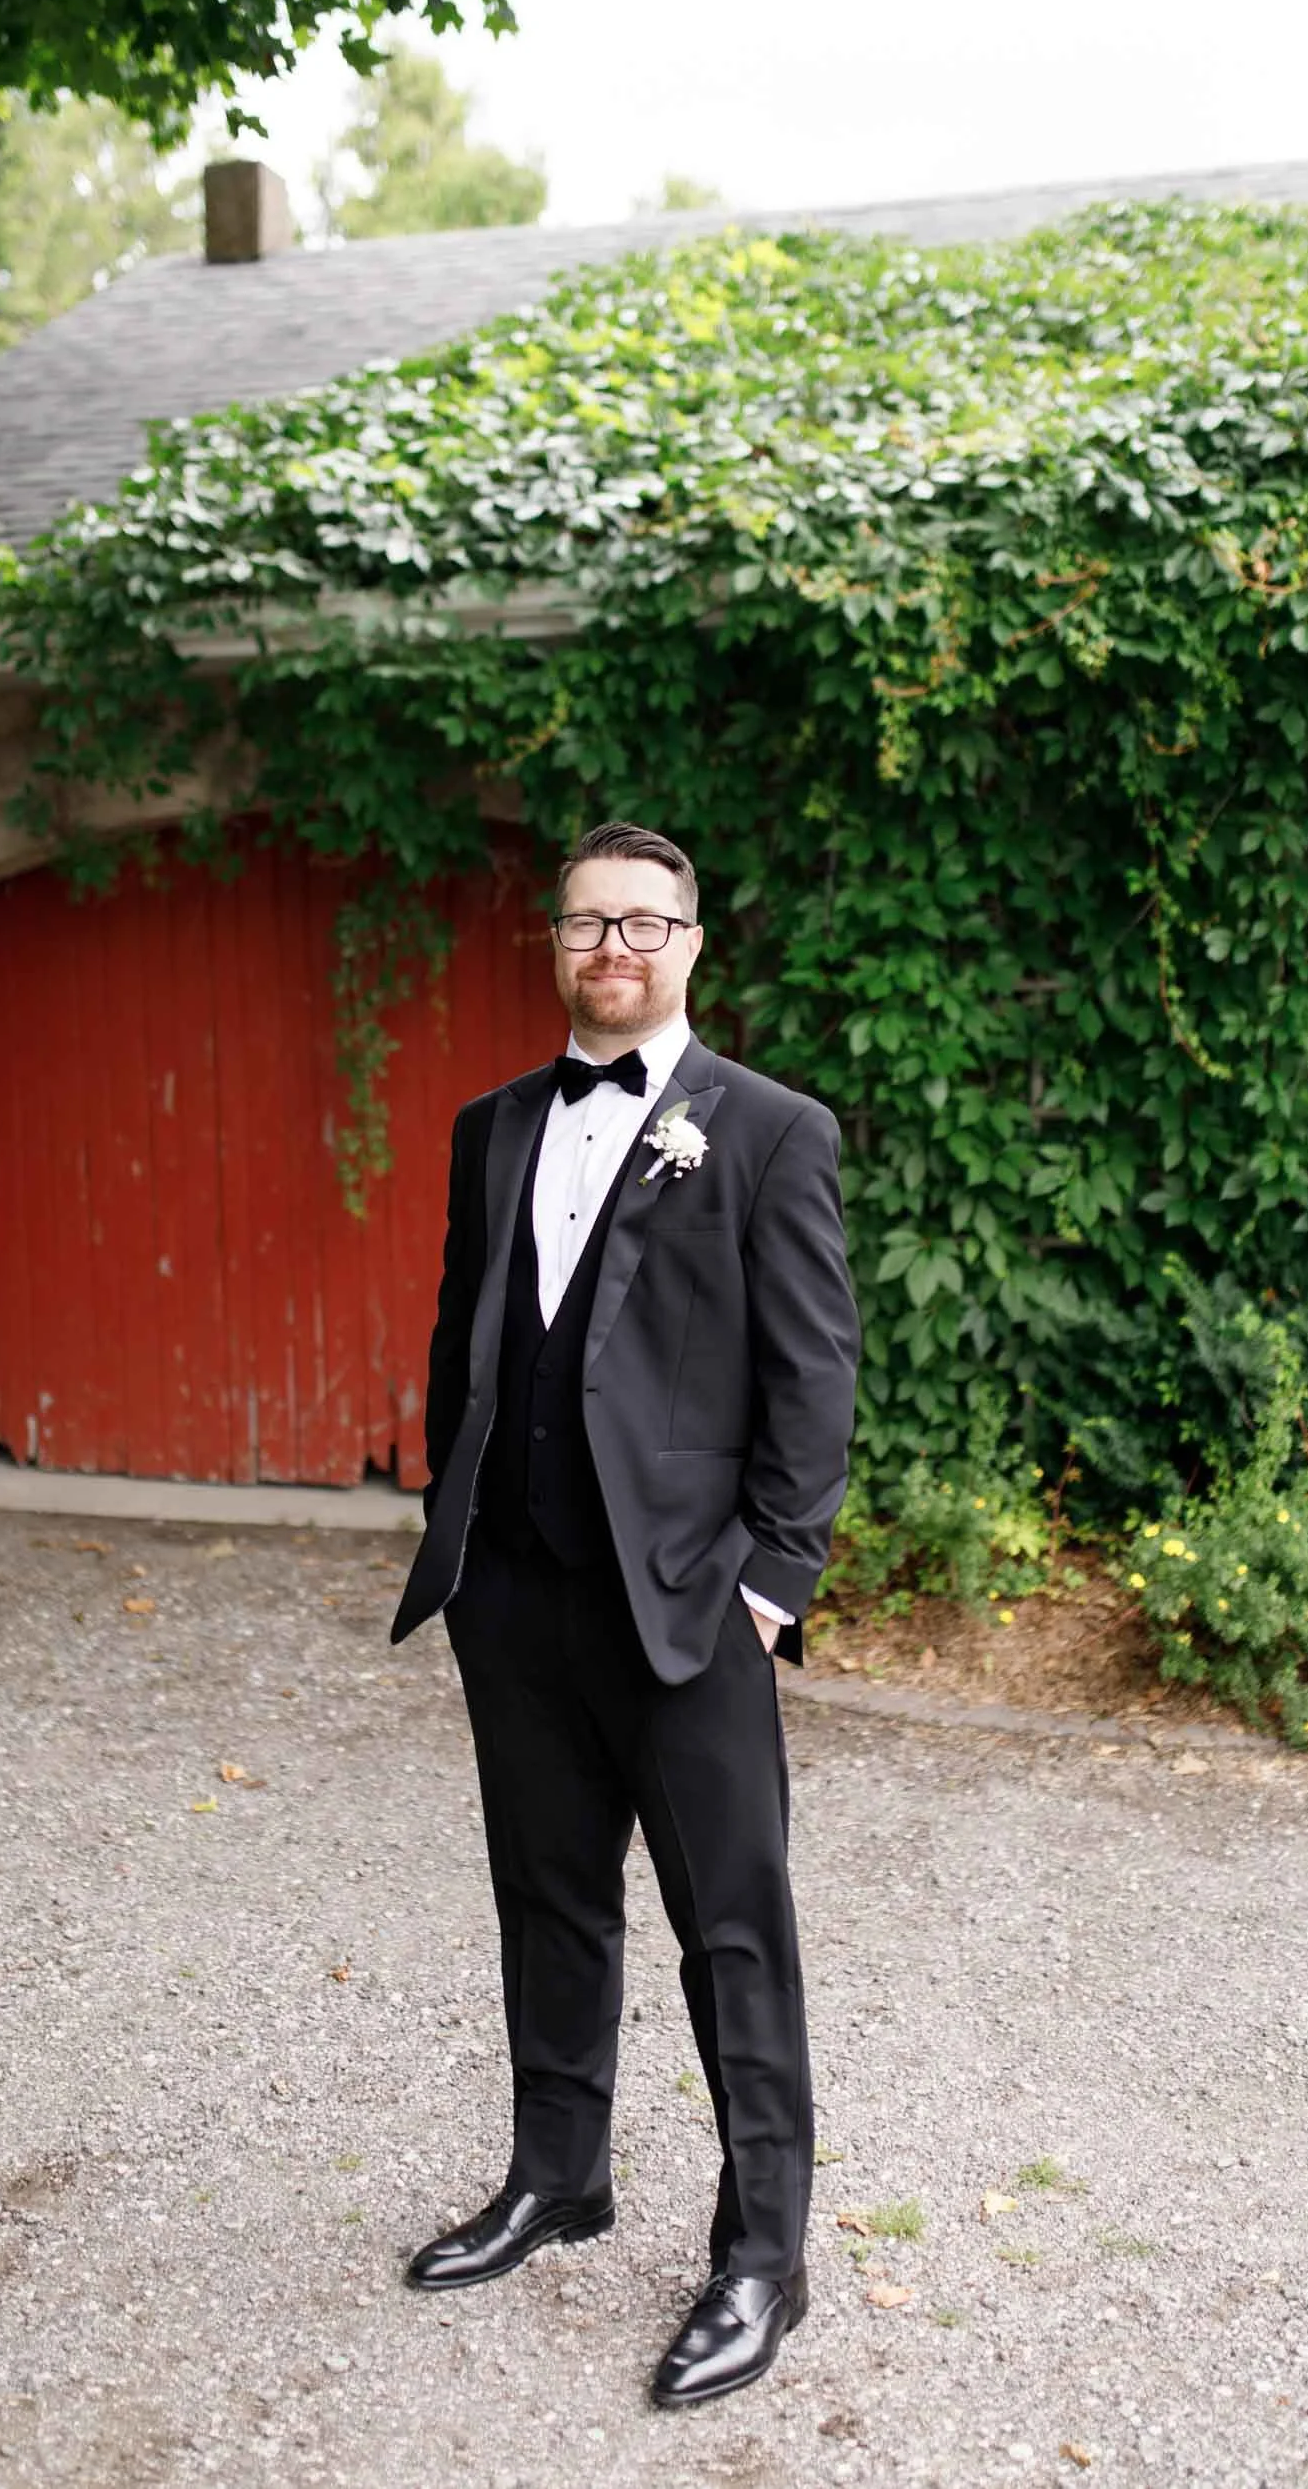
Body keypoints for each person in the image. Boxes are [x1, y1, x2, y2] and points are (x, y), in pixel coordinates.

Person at [390, 820, 860, 2407]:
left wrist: (768, 1587)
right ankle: (557, 2175)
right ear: (555, 944)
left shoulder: (773, 1133)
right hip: (512, 1599)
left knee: (733, 1931)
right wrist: (449, 1509)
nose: (615, 948)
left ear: (690, 946)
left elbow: (813, 1381)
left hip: (686, 1615)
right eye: (589, 923)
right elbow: (468, 1326)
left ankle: (761, 2257)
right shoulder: (491, 1126)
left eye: (645, 924)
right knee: (547, 1899)